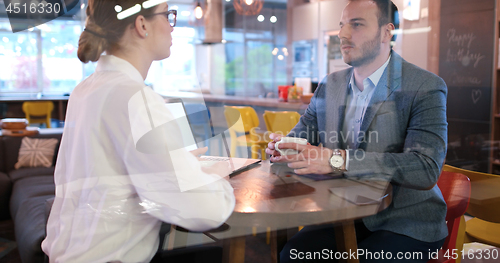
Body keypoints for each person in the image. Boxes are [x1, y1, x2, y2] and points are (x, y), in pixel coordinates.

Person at [41, 0, 235, 262]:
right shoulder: (137, 99)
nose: (171, 26)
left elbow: (111, 173)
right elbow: (205, 211)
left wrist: (177, 162)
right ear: (142, 25)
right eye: (168, 16)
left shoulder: (85, 90)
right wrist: (210, 174)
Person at [266, 0, 448, 262]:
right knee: (292, 255)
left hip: (404, 220)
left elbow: (425, 168)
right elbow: (302, 135)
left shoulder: (425, 86)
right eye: (342, 26)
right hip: (342, 212)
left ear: (387, 32)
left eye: (357, 24)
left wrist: (335, 160)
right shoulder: (331, 84)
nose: (343, 34)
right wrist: (281, 147)